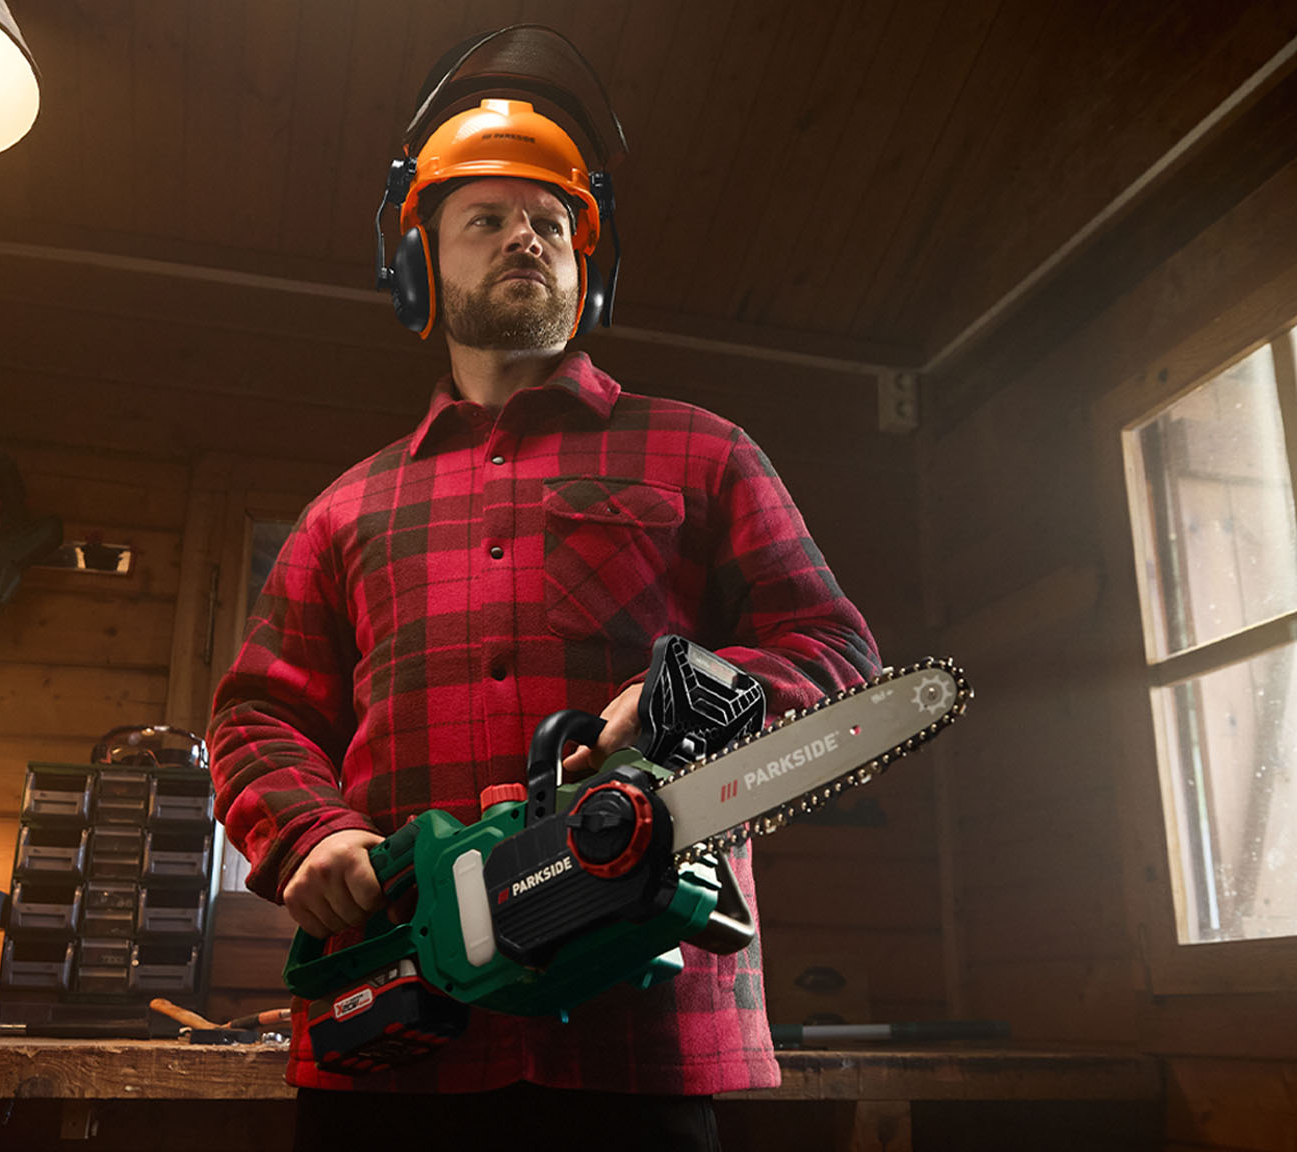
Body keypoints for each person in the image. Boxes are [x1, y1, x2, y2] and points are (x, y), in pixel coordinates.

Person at [208, 73, 880, 1152]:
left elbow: (836, 652)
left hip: (640, 1022)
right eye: (486, 219)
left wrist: (682, 702)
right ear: (424, 259)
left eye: (551, 222)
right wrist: (309, 831)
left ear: (585, 266)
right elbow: (255, 715)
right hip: (399, 1020)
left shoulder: (703, 451)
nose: (525, 237)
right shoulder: (347, 507)